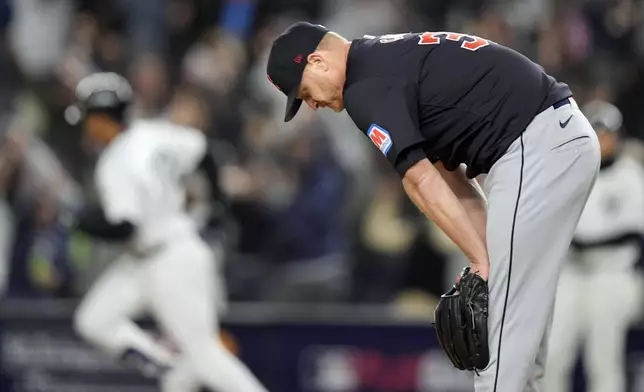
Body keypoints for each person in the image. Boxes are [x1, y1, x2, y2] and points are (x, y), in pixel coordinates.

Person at [266, 22, 600, 392]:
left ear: (318, 61)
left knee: (504, 322)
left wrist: (481, 263)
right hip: (551, 140)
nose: (311, 104)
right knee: (519, 312)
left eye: (304, 92)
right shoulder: (386, 61)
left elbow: (419, 181)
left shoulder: (364, 85)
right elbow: (451, 178)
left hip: (536, 146)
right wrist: (484, 257)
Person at [66, 72, 268, 392]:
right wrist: (215, 203)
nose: (87, 126)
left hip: (172, 260)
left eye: (90, 118)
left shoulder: (117, 161)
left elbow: (122, 227)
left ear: (103, 118)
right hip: (144, 258)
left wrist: (80, 221)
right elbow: (204, 153)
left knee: (205, 354)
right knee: (94, 320)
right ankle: (168, 369)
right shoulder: (152, 133)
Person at [545, 101, 644, 392]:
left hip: (611, 275)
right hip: (571, 275)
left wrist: (578, 241)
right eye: (595, 131)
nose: (602, 139)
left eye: (607, 133)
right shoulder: (569, 171)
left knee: (603, 360)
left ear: (618, 136)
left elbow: (632, 234)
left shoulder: (630, 176)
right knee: (552, 357)